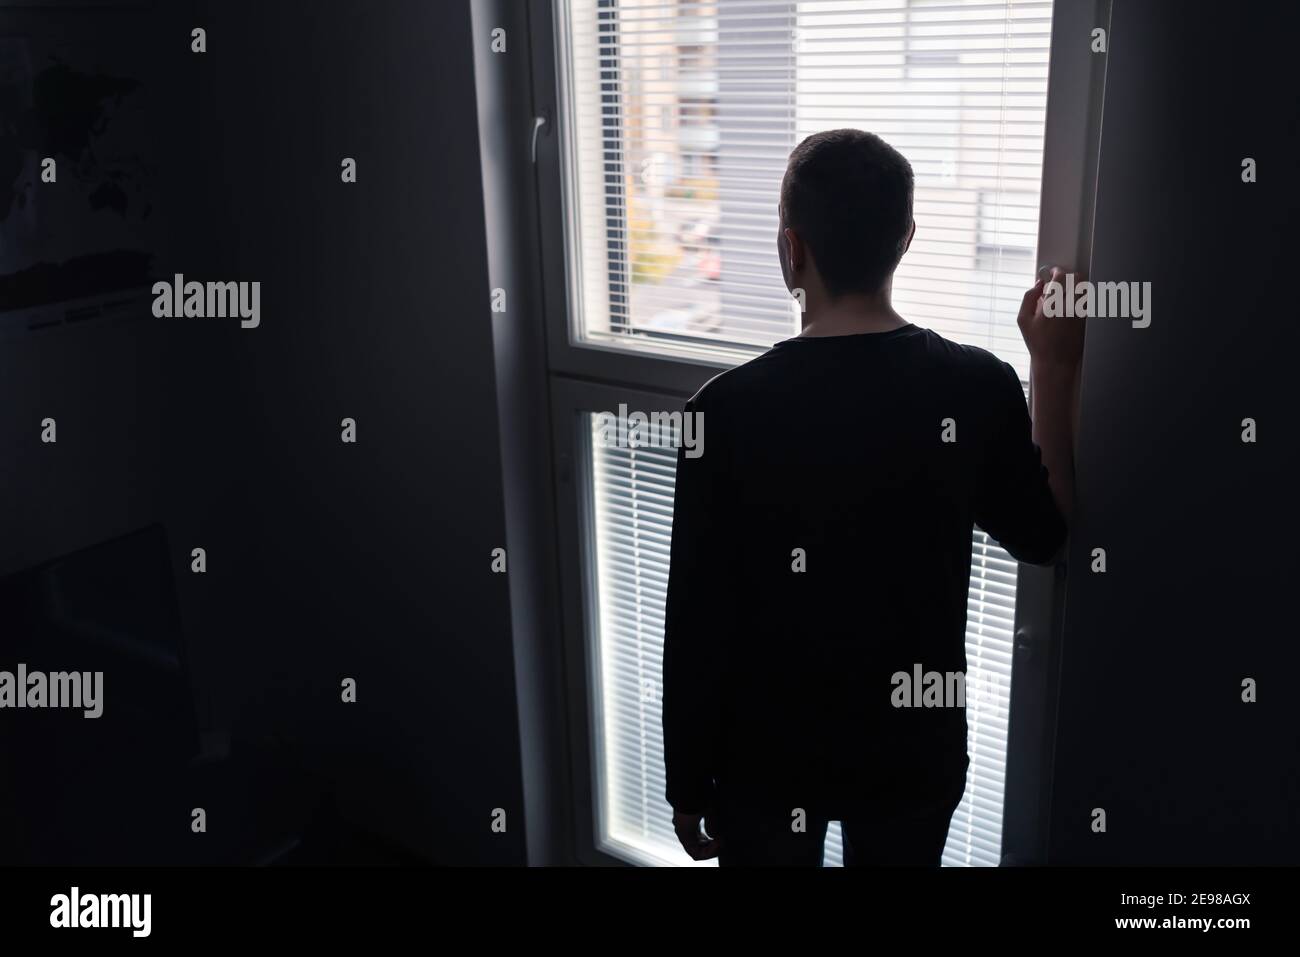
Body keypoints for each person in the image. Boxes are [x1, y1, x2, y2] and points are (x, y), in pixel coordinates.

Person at [661, 129, 1084, 867]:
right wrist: (1051, 364)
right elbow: (1046, 535)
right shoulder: (975, 385)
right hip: (911, 747)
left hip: (766, 756)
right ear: (907, 239)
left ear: (791, 250)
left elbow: (698, 618)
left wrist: (688, 779)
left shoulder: (720, 412)